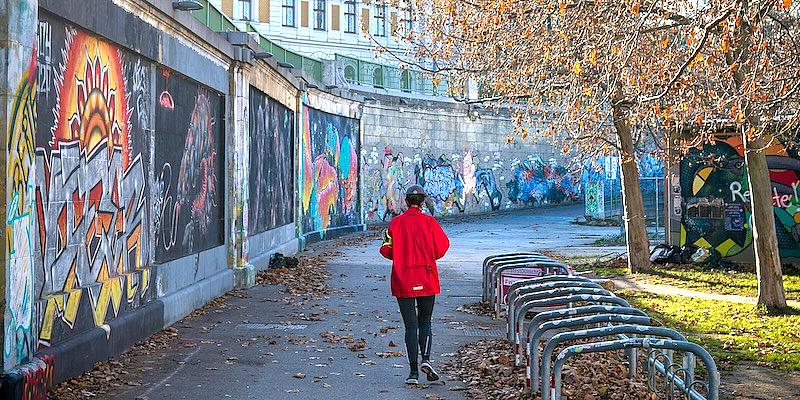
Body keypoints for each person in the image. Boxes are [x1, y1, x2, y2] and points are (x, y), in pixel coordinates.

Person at [379, 185, 450, 385]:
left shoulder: (395, 223)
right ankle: (426, 359)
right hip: (426, 277)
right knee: (425, 321)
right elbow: (443, 247)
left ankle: (412, 373)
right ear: (422, 202)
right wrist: (429, 256)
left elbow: (385, 249)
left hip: (403, 279)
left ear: (406, 201)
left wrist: (400, 255)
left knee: (410, 326)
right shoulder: (430, 222)